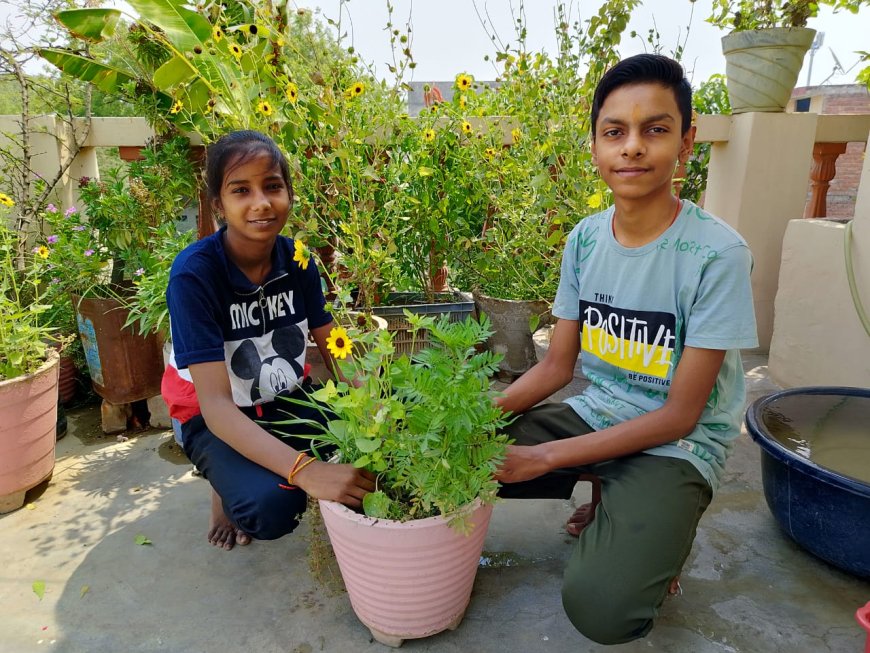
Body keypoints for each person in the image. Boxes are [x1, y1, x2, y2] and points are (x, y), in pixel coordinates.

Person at [494, 54, 758, 645]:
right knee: (453, 461)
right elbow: (557, 367)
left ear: (686, 141)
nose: (632, 147)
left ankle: (660, 519)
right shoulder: (586, 239)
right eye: (615, 132)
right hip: (600, 411)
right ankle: (612, 488)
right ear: (594, 146)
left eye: (655, 129)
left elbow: (680, 414)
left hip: (680, 441)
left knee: (604, 611)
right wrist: (472, 420)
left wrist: (542, 458)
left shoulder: (716, 255)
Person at [161, 130, 374, 550]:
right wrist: (306, 470)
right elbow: (216, 405)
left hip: (287, 394)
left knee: (370, 457)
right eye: (241, 190)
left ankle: (248, 466)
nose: (261, 202)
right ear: (219, 205)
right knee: (271, 507)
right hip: (211, 415)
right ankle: (222, 488)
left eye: (273, 186)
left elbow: (333, 344)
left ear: (289, 194)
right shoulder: (195, 275)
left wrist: (372, 404)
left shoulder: (298, 261)